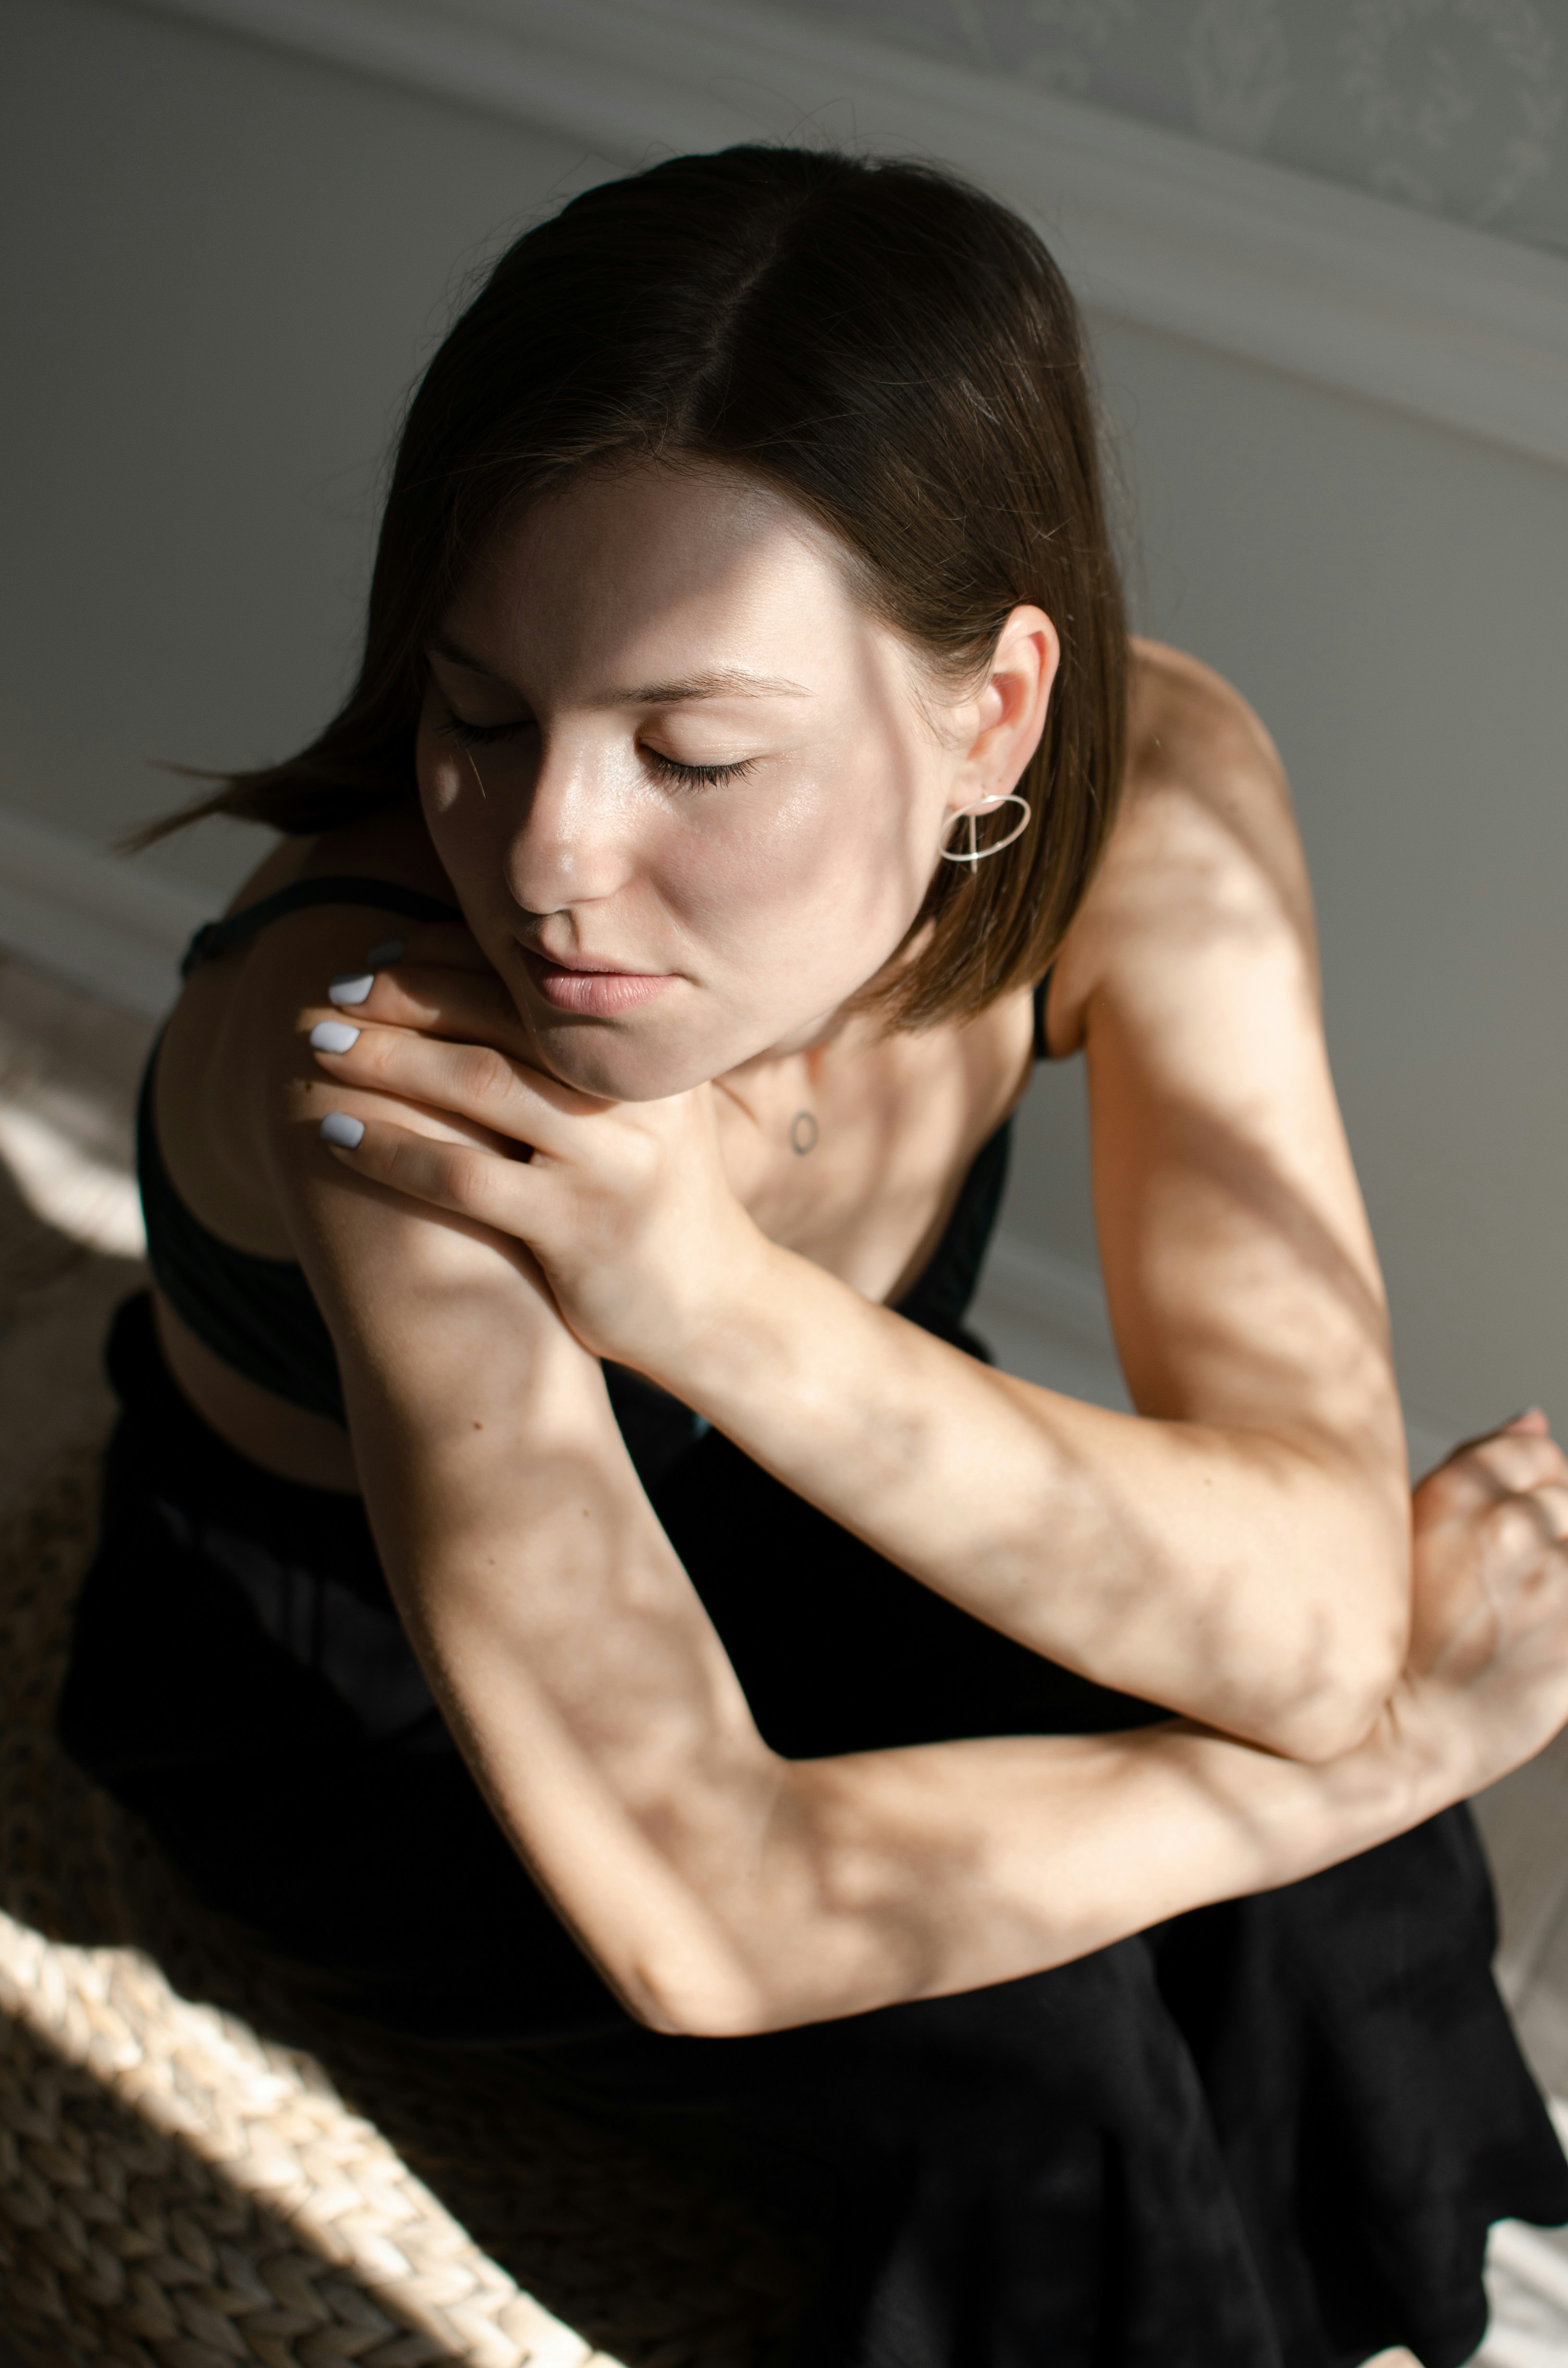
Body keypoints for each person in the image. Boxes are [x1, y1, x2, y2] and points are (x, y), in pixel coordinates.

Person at [58, 146, 1568, 2367]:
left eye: (695, 753)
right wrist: (1376, 1760)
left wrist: (708, 1295)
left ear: (997, 712)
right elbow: (704, 1911)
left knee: (1334, 1879)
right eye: (481, 714)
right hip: (374, 1701)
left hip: (805, 1525)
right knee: (1048, 2037)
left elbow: (1322, 1612)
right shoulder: (398, 1060)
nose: (545, 857)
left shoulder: (1154, 804)